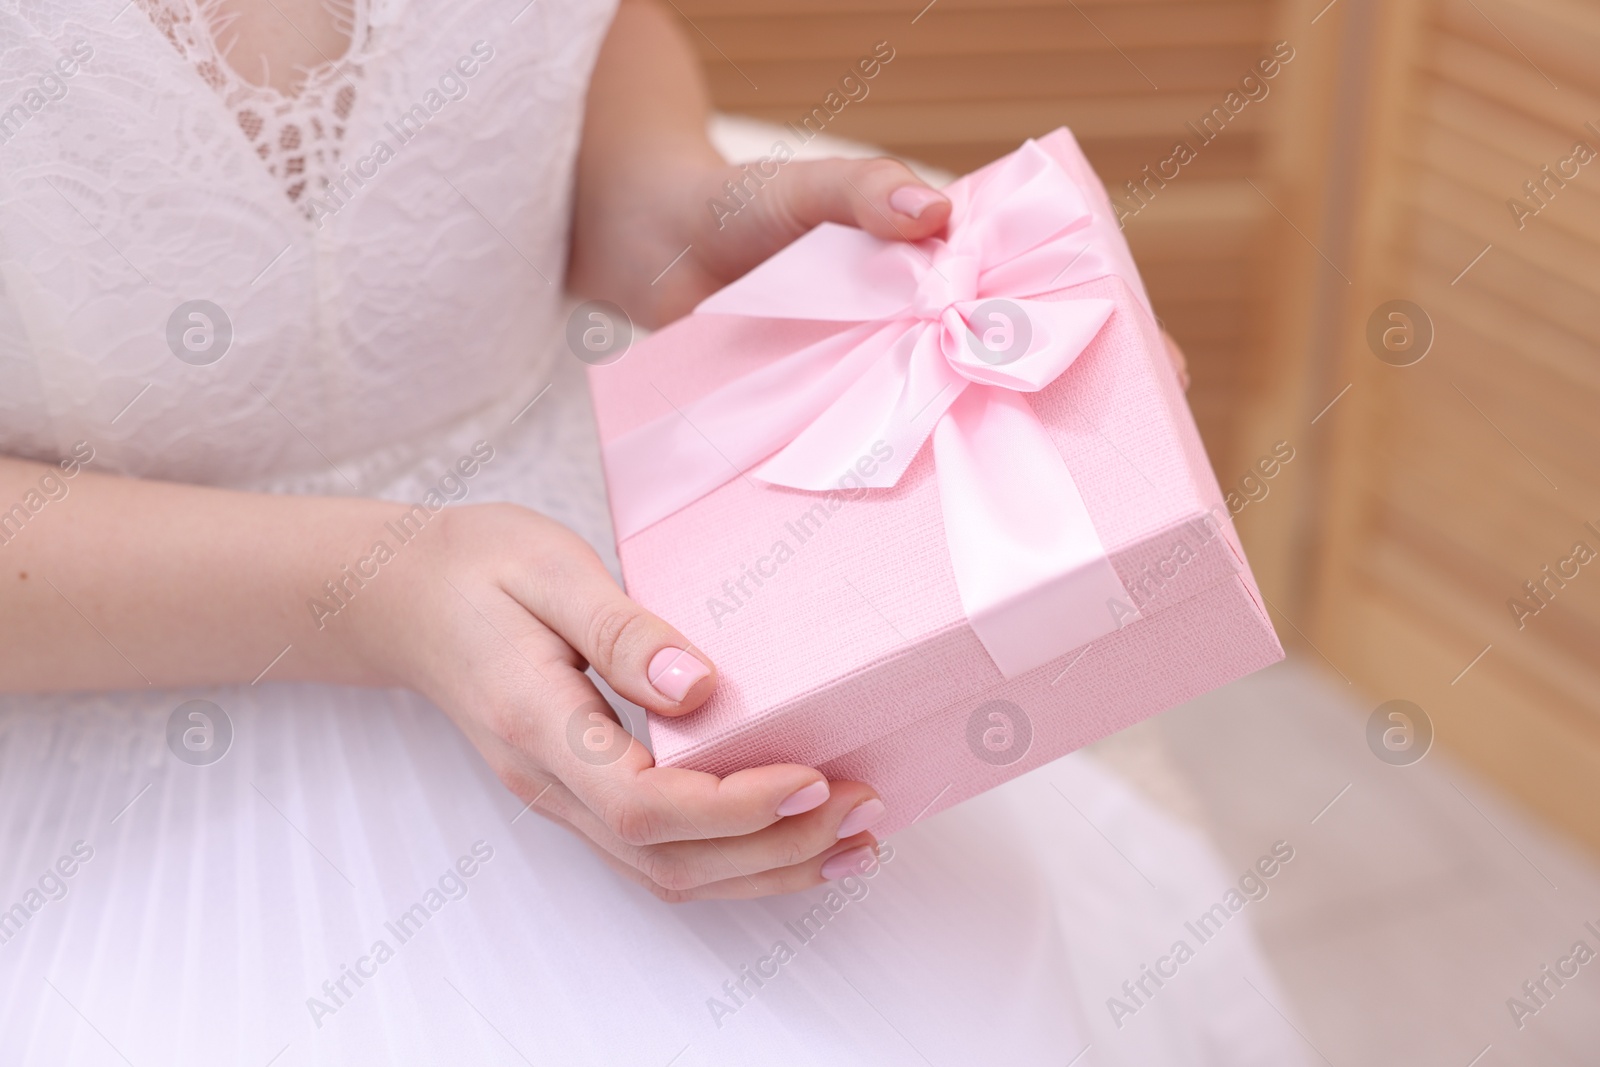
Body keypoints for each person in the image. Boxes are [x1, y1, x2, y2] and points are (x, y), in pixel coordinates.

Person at [0, 2, 1295, 1064]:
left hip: (618, 558)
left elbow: (581, 34)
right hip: (120, 670)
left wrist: (675, 213)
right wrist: (379, 592)